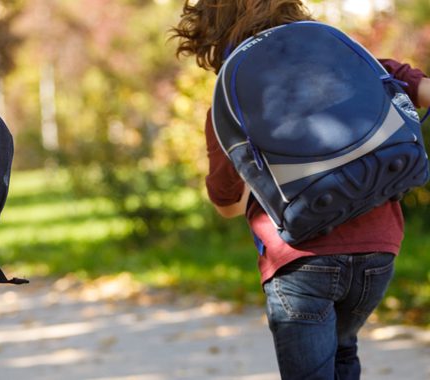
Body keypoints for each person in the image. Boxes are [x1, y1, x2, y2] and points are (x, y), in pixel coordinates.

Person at [173, 1, 430, 379]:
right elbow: (422, 91)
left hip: (298, 261)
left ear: (210, 33)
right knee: (344, 353)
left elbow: (226, 204)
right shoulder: (346, 57)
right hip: (378, 251)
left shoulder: (230, 96)